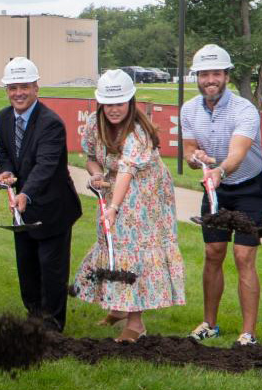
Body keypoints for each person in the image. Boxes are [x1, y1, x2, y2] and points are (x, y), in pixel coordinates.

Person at [71, 70, 185, 342]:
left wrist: (113, 208)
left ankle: (136, 323)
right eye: (108, 104)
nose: (113, 109)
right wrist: (96, 174)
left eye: (119, 103)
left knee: (135, 250)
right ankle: (120, 307)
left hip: (145, 194)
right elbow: (90, 157)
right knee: (114, 245)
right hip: (114, 188)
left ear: (130, 101)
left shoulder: (138, 132)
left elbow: (127, 171)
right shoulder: (93, 124)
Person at [181, 44, 262, 346]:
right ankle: (210, 324)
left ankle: (248, 333)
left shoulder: (244, 109)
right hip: (214, 186)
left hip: (250, 187)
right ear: (197, 77)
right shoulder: (189, 109)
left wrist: (219, 170)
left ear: (227, 76)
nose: (210, 79)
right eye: (204, 74)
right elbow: (189, 149)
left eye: (216, 73)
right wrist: (196, 159)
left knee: (243, 255)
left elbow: (237, 154)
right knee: (212, 253)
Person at [0, 57, 82, 333]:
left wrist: (26, 194)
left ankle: (53, 326)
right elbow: (5, 151)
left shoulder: (50, 123)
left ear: (36, 88)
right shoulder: (4, 117)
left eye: (25, 87)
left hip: (53, 206)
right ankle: (34, 318)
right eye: (13, 87)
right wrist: (6, 171)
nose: (18, 93)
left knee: (51, 269)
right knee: (27, 266)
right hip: (23, 207)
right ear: (6, 90)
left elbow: (46, 165)